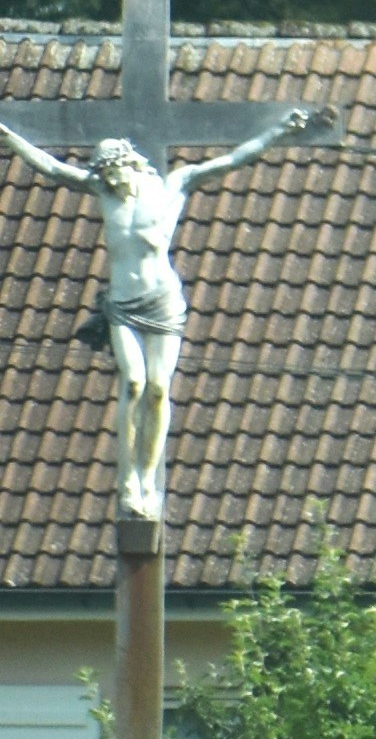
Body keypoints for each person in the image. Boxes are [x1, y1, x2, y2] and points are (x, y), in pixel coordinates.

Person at [0, 106, 321, 526]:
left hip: (163, 303)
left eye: (116, 174)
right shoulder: (102, 191)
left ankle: (148, 479)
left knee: (155, 388)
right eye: (106, 177)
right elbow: (55, 169)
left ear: (130, 166)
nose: (112, 183)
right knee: (132, 382)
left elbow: (232, 160)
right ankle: (128, 483)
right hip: (122, 305)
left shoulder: (174, 185)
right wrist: (11, 140)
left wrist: (277, 133)